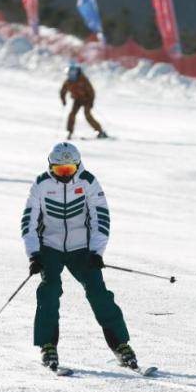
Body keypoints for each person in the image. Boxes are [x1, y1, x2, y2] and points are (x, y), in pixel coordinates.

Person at [20, 142, 136, 371]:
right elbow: (28, 221)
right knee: (49, 290)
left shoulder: (89, 182)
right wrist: (34, 254)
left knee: (98, 293)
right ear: (50, 167)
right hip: (50, 246)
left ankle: (120, 345)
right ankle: (47, 345)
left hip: (81, 248)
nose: (64, 176)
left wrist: (96, 252)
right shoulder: (41, 184)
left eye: (69, 170)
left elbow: (101, 217)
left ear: (78, 166)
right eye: (59, 171)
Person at [60, 63, 108, 140]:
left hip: (87, 100)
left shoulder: (83, 79)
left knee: (87, 114)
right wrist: (63, 100)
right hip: (77, 100)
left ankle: (100, 131)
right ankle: (69, 131)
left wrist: (91, 101)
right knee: (72, 114)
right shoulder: (68, 82)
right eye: (69, 74)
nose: (71, 76)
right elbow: (63, 91)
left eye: (73, 73)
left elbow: (91, 92)